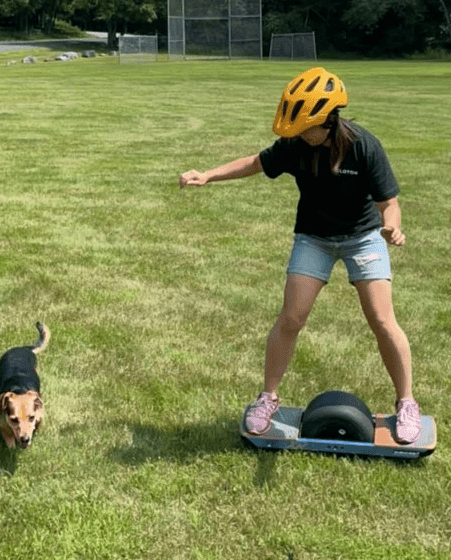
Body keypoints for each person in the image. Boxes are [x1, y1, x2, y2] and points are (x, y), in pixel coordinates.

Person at [178, 67, 421, 444]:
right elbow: (257, 162)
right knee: (291, 317)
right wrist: (208, 175)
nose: (299, 134)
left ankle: (406, 402)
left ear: (328, 120)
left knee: (382, 320)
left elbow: (389, 202)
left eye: (306, 127)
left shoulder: (363, 145)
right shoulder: (295, 145)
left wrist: (392, 226)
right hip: (314, 238)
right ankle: (268, 398)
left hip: (363, 237)